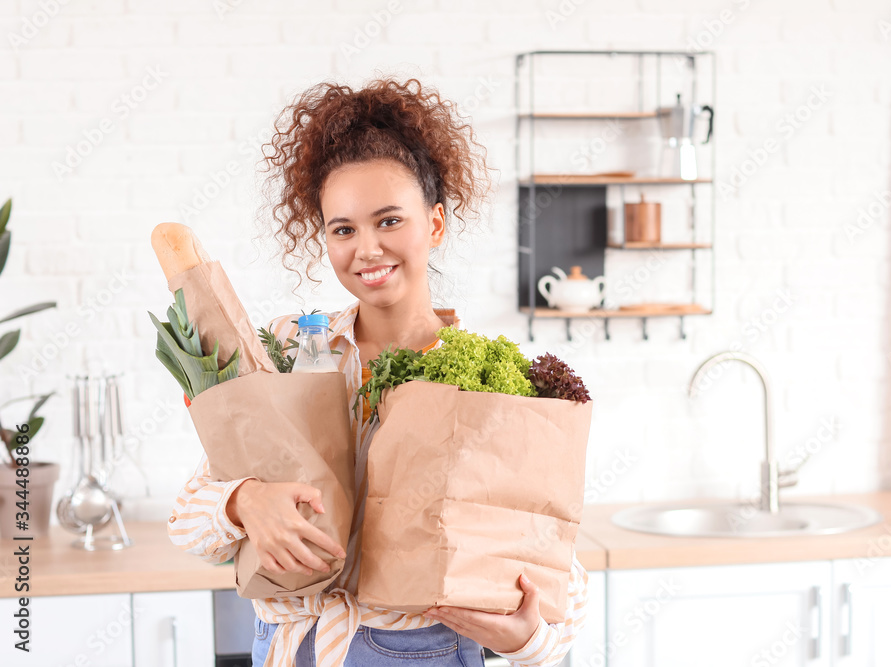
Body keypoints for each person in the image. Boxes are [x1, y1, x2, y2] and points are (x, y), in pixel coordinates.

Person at [166, 76, 589, 667]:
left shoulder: (487, 383)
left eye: (389, 221)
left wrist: (526, 641)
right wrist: (243, 503)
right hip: (290, 649)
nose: (366, 249)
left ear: (435, 224)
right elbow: (188, 525)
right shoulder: (287, 352)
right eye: (344, 229)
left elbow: (561, 591)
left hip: (422, 651)